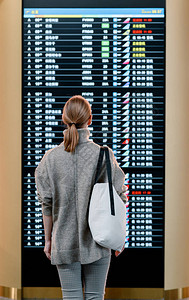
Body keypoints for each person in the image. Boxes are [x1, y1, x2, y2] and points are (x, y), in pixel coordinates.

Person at [35, 95, 128, 300]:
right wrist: (120, 234)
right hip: (98, 241)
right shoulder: (104, 154)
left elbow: (47, 205)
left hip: (63, 242)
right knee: (96, 297)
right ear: (90, 119)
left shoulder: (50, 159)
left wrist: (48, 240)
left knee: (71, 297)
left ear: (64, 119)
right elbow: (120, 196)